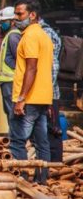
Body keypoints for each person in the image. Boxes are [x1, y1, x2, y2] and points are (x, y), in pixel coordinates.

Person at [11, 0, 52, 184]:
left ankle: (23, 178)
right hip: (42, 97)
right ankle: (42, 179)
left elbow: (32, 68)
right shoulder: (44, 35)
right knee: (41, 142)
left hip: (29, 99)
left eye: (20, 14)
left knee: (18, 140)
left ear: (32, 15)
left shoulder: (29, 36)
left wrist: (21, 98)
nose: (16, 18)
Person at [0, 7, 21, 140]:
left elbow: (20, 60)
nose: (0, 24)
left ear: (12, 21)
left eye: (3, 21)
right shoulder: (9, 36)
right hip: (7, 82)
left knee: (13, 113)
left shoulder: (13, 37)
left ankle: (16, 140)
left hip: (11, 82)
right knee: (9, 112)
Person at [38, 17, 62, 162]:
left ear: (32, 15)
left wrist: (47, 92)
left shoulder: (46, 33)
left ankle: (55, 165)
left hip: (48, 94)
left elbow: (53, 66)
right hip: (42, 93)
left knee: (52, 130)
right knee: (45, 130)